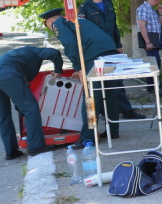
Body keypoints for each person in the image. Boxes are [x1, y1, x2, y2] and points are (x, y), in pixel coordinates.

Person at [41, 8, 121, 148]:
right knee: (108, 93)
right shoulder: (76, 20)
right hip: (109, 52)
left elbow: (71, 44)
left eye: (47, 25)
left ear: (50, 21)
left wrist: (78, 68)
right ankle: (113, 131)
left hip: (94, 56)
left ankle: (87, 138)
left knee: (90, 98)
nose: (50, 28)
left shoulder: (58, 23)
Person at [77, 0, 144, 119]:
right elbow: (82, 31)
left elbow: (113, 25)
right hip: (94, 50)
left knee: (115, 79)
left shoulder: (108, 3)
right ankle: (96, 115)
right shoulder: (85, 7)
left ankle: (125, 110)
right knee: (96, 83)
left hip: (110, 47)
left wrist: (118, 45)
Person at [0, 47, 62, 159]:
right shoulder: (36, 51)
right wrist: (58, 70)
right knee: (31, 109)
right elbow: (55, 53)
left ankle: (11, 151)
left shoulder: (21, 56)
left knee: (4, 113)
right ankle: (36, 147)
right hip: (6, 73)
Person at [136, 0, 162, 91]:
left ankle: (153, 86)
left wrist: (160, 14)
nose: (158, 4)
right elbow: (142, 26)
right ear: (155, 0)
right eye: (158, 2)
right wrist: (147, 42)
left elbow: (158, 25)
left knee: (154, 62)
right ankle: (152, 86)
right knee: (154, 63)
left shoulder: (152, 10)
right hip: (149, 41)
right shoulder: (143, 9)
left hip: (155, 40)